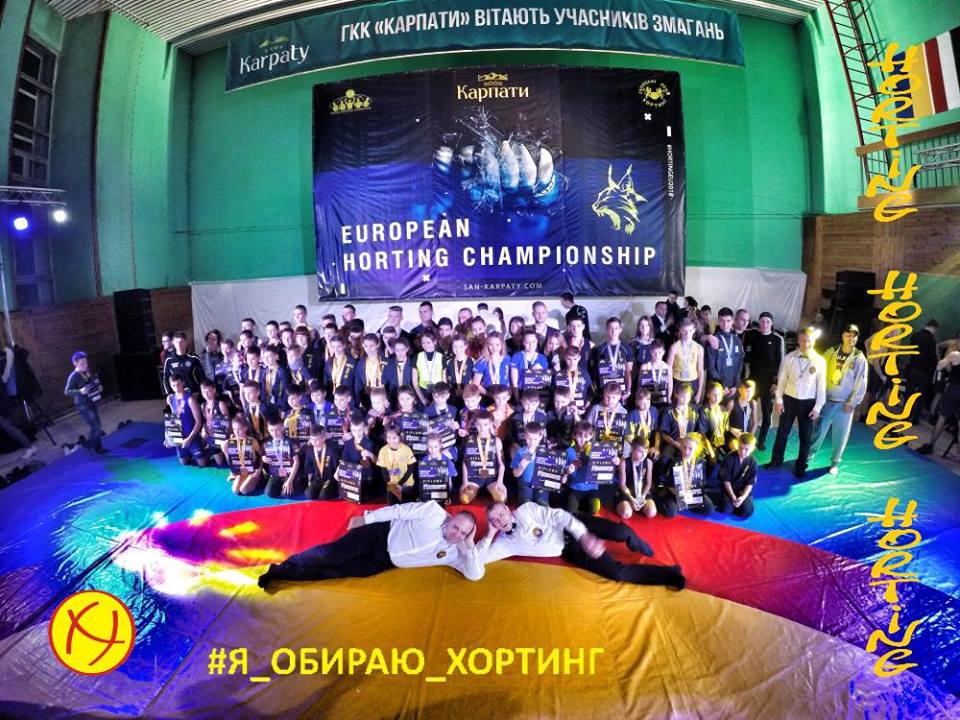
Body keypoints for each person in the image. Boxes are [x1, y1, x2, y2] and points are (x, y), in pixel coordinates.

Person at [258, 502, 484, 587]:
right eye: (456, 527)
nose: (456, 534)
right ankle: (284, 566)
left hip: (383, 561)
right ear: (450, 519)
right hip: (379, 534)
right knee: (331, 556)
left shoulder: (457, 551)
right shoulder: (433, 512)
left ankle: (283, 574)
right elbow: (398, 511)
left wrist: (470, 547)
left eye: (463, 533)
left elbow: (475, 575)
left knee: (334, 572)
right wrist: (366, 519)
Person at [480, 502, 683, 589]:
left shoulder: (525, 510)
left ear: (507, 508)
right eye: (494, 520)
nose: (500, 520)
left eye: (501, 514)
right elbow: (479, 562)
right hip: (570, 550)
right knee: (617, 573)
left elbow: (559, 516)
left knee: (622, 533)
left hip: (573, 524)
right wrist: (489, 534)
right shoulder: (506, 543)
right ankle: (670, 574)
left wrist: (584, 536)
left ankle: (638, 543)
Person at [767, 327, 827, 479]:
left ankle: (801, 466)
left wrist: (818, 407)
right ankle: (776, 461)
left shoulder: (820, 361)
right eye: (803, 341)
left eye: (809, 341)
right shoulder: (789, 358)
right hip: (789, 400)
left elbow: (821, 386)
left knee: (805, 437)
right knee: (782, 433)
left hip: (808, 403)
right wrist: (779, 400)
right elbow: (781, 381)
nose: (806, 344)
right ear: (799, 340)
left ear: (814, 341)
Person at [810, 325, 868, 475]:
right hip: (827, 400)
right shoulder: (832, 351)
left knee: (840, 434)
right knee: (818, 429)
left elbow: (861, 382)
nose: (851, 338)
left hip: (844, 404)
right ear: (843, 335)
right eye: (848, 335)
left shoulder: (859, 358)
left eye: (854, 336)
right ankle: (810, 452)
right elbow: (819, 367)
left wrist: (852, 402)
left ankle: (835, 462)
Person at [743, 312, 784, 449]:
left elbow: (780, 363)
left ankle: (761, 440)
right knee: (748, 409)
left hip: (768, 384)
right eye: (762, 321)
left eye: (767, 321)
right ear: (759, 323)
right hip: (753, 381)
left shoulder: (777, 340)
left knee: (767, 413)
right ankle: (745, 436)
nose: (765, 324)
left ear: (772, 323)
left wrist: (776, 382)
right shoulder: (753, 336)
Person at [916, 345, 960, 456]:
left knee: (942, 417)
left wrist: (949, 364)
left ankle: (930, 445)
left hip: (953, 389)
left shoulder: (955, 355)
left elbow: (939, 366)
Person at [460, 410, 506, 504]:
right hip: (474, 477)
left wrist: (500, 481)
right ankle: (474, 490)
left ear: (491, 424)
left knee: (501, 499)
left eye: (485, 424)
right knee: (464, 499)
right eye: (479, 424)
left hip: (492, 478)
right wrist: (465, 481)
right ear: (475, 424)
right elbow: (465, 462)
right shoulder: (469, 440)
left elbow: (502, 463)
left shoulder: (497, 441)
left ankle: (493, 490)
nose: (482, 428)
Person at [63, 351, 104, 455]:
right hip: (83, 405)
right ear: (75, 364)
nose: (85, 365)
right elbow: (67, 391)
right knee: (96, 426)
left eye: (86, 362)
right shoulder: (73, 376)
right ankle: (87, 445)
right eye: (82, 364)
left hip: (91, 401)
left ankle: (98, 448)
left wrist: (99, 387)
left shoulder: (88, 371)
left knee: (97, 426)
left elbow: (93, 382)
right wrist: (80, 391)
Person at [711, 432, 758, 518]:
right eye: (740, 448)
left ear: (753, 449)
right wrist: (732, 496)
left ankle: (737, 504)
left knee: (747, 512)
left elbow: (750, 483)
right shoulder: (729, 458)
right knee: (726, 509)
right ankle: (728, 502)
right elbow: (725, 480)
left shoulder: (753, 463)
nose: (742, 452)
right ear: (737, 445)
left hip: (741, 490)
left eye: (746, 449)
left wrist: (743, 497)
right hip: (728, 488)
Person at [166, 372, 207, 466]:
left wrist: (189, 439)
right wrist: (169, 438)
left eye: (178, 384)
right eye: (173, 386)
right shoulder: (171, 399)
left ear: (183, 383)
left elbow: (198, 422)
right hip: (180, 436)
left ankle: (204, 445)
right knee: (184, 462)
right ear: (171, 386)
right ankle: (191, 452)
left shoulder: (190, 399)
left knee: (202, 464)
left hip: (192, 435)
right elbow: (173, 419)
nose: (176, 388)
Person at [704, 307, 744, 401]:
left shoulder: (737, 340)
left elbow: (740, 364)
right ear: (718, 321)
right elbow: (711, 366)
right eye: (722, 321)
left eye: (728, 321)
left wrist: (736, 385)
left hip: (733, 388)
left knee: (731, 409)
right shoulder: (714, 340)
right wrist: (721, 385)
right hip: (717, 388)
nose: (725, 324)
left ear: (733, 321)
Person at [590, 317, 633, 403]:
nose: (613, 331)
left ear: (620, 330)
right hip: (605, 392)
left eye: (616, 328)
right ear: (606, 330)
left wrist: (628, 391)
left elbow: (629, 371)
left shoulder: (626, 348)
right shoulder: (599, 349)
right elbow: (596, 373)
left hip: (621, 392)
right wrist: (599, 392)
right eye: (610, 328)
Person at [905, 319, 940, 423]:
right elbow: (932, 357)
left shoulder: (915, 335)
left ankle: (906, 415)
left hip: (913, 368)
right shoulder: (931, 340)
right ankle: (914, 418)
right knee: (920, 395)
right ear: (933, 328)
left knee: (909, 393)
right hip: (925, 371)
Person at [221, 414, 263, 495]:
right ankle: (242, 478)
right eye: (234, 429)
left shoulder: (252, 441)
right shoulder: (231, 442)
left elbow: (261, 455)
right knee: (235, 490)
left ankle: (258, 479)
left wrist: (260, 469)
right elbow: (231, 460)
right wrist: (233, 471)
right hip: (242, 470)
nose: (236, 432)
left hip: (253, 470)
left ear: (245, 428)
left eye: (239, 429)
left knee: (244, 490)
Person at [665, 318, 703, 404]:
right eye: (684, 331)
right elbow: (668, 369)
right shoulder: (674, 347)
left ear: (694, 330)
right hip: (677, 382)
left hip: (692, 382)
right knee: (677, 407)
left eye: (690, 330)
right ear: (680, 330)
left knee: (691, 409)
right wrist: (669, 391)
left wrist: (699, 393)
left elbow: (700, 371)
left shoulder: (699, 348)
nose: (687, 334)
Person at [263, 414, 302, 498]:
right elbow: (264, 455)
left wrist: (290, 480)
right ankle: (281, 484)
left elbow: (297, 462)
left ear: (283, 428)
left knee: (286, 494)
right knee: (270, 493)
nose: (274, 433)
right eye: (271, 430)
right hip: (276, 474)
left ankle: (293, 483)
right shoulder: (267, 442)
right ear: (268, 429)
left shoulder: (291, 441)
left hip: (289, 473)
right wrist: (263, 458)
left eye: (277, 430)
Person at [617, 438, 656, 519]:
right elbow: (622, 485)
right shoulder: (624, 463)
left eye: (645, 451)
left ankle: (639, 506)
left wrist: (642, 497)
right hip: (627, 495)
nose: (643, 455)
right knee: (626, 513)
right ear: (632, 449)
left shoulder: (649, 462)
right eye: (640, 452)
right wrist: (630, 498)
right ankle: (628, 506)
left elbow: (648, 484)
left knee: (652, 512)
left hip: (642, 493)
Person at [378, 426, 417, 504]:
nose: (391, 441)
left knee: (407, 507)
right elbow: (383, 469)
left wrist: (400, 484)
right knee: (393, 507)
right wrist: (391, 484)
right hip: (392, 485)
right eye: (389, 438)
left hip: (406, 485)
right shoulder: (383, 451)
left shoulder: (407, 449)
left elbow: (411, 469)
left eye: (394, 438)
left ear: (400, 437)